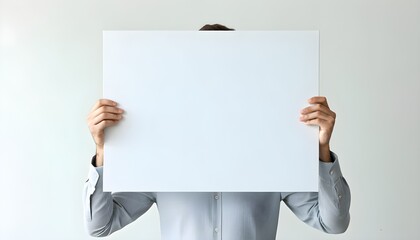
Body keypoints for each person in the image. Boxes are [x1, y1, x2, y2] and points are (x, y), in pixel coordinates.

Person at [83, 24, 350, 240]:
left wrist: (321, 151)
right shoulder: (161, 161)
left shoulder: (272, 159)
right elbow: (100, 226)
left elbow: (333, 223)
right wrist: (104, 151)